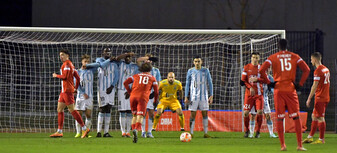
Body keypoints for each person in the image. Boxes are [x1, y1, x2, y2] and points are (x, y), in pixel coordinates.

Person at [259, 39, 310, 151]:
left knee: (280, 118)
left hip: (278, 89)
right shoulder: (294, 56)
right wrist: (300, 84)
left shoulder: (272, 57)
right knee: (296, 117)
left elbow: (262, 70)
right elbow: (307, 70)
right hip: (290, 89)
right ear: (287, 46)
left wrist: (269, 83)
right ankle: (300, 145)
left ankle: (283, 145)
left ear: (278, 46)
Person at [50, 49, 90, 138]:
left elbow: (65, 76)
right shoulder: (70, 64)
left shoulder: (67, 64)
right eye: (60, 55)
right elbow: (78, 77)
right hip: (64, 91)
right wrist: (75, 88)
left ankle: (84, 128)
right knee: (59, 109)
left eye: (63, 55)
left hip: (67, 90)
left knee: (72, 110)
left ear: (67, 56)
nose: (61, 56)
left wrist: (56, 75)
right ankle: (59, 131)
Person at [85, 48, 119, 138]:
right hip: (102, 89)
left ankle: (106, 132)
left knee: (108, 108)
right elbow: (102, 66)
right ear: (103, 53)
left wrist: (112, 86)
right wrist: (109, 59)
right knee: (102, 108)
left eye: (109, 52)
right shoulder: (99, 60)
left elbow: (117, 75)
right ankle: (99, 132)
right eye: (106, 52)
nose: (108, 53)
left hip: (111, 89)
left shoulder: (114, 64)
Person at [123, 62, 159, 143]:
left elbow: (125, 83)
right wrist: (155, 100)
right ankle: (136, 129)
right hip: (143, 98)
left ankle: (133, 132)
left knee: (134, 115)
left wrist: (130, 92)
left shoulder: (135, 76)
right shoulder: (152, 78)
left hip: (133, 97)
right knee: (140, 116)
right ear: (150, 69)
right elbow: (156, 91)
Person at [303, 52, 330, 144]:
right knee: (314, 116)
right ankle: (310, 137)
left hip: (320, 98)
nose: (311, 61)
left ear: (315, 59)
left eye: (311, 59)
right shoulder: (326, 69)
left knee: (320, 117)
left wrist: (309, 98)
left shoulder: (318, 71)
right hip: (325, 96)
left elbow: (314, 86)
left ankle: (321, 139)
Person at [185, 56, 213, 138]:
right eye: (195, 61)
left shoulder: (205, 70)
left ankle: (206, 133)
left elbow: (210, 83)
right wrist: (186, 96)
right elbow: (187, 84)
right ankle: (191, 133)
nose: (197, 63)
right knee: (192, 114)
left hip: (204, 96)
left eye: (198, 61)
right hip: (193, 97)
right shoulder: (190, 71)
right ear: (193, 62)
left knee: (205, 113)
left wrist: (211, 95)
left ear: (201, 62)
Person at [240, 52, 265, 138]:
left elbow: (265, 79)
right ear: (251, 58)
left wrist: (257, 79)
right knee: (246, 113)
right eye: (253, 57)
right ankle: (246, 131)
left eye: (256, 58)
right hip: (249, 95)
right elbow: (243, 81)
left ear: (259, 59)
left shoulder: (261, 68)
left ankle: (258, 132)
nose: (255, 59)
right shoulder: (246, 67)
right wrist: (250, 87)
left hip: (259, 94)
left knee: (260, 112)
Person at [137, 54, 161, 138]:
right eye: (147, 59)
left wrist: (156, 95)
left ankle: (149, 132)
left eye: (150, 60)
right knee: (142, 113)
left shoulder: (156, 71)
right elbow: (138, 60)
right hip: (143, 95)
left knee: (151, 113)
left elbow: (158, 83)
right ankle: (143, 132)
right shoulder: (141, 69)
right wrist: (147, 58)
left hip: (151, 95)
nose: (149, 61)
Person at [249, 71, 278, 138]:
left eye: (268, 68)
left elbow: (273, 88)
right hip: (255, 98)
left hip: (264, 98)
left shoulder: (270, 78)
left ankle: (271, 133)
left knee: (268, 115)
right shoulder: (258, 76)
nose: (267, 70)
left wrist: (274, 92)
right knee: (253, 115)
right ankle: (251, 133)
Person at [116, 51, 137, 137]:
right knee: (122, 111)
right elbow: (117, 58)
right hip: (121, 89)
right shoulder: (120, 63)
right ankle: (123, 132)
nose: (128, 58)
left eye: (129, 57)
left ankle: (128, 131)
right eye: (126, 57)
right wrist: (127, 54)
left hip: (131, 91)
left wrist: (130, 90)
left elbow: (136, 79)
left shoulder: (134, 66)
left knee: (129, 111)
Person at [74, 54, 96, 138]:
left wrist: (89, 65)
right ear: (81, 62)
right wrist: (83, 93)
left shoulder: (91, 70)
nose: (86, 63)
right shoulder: (77, 72)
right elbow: (76, 84)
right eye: (85, 61)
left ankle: (87, 132)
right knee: (78, 115)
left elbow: (99, 64)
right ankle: (78, 132)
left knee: (88, 115)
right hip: (80, 96)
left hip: (89, 97)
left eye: (88, 61)